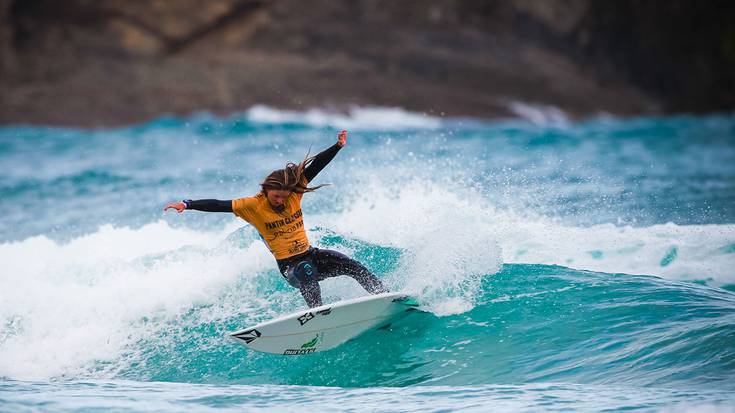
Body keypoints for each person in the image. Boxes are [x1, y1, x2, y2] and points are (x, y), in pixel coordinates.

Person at [164, 130, 387, 308]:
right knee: (306, 270)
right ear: (267, 190)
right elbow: (218, 204)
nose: (281, 200)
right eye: (277, 196)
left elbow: (314, 167)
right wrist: (187, 204)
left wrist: (337, 147)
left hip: (311, 254)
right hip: (291, 268)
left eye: (284, 196)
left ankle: (385, 297)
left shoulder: (294, 194)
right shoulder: (252, 206)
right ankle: (318, 314)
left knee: (352, 266)